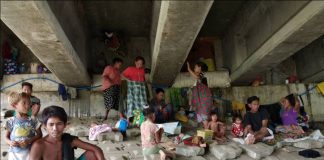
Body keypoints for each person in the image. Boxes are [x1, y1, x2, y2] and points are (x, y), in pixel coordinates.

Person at [29, 106, 105, 160]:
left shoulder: (69, 140)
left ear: (65, 125)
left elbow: (96, 149)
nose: (55, 129)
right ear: (45, 126)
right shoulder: (39, 146)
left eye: (59, 124)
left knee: (92, 154)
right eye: (51, 124)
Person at [5, 92, 42, 160]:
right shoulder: (10, 121)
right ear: (14, 105)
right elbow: (6, 137)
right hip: (14, 154)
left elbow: (40, 135)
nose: (28, 105)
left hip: (29, 153)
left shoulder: (33, 119)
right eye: (24, 103)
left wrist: (29, 140)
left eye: (29, 102)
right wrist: (10, 142)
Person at [187, 61, 212, 129]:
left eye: (195, 67)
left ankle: (207, 133)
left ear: (199, 67)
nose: (194, 69)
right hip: (201, 99)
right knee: (201, 115)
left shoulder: (202, 74)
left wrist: (189, 69)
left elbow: (196, 77)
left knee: (204, 116)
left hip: (204, 99)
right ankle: (206, 131)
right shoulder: (199, 76)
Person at [122, 56, 147, 122]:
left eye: (141, 64)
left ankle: (139, 122)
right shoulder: (130, 69)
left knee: (141, 105)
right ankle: (127, 122)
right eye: (138, 63)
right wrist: (127, 79)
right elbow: (122, 75)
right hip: (132, 91)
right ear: (135, 62)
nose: (139, 65)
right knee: (131, 104)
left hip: (141, 92)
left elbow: (143, 80)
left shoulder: (142, 70)